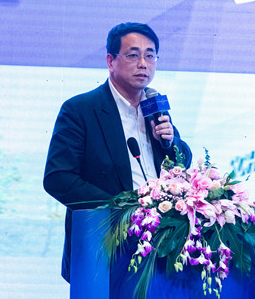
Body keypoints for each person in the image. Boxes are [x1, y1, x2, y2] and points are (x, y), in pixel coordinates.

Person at [43, 22, 192, 282]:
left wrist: (170, 142)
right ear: (111, 61)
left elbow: (182, 164)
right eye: (133, 55)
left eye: (150, 56)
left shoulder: (154, 108)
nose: (143, 64)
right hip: (106, 245)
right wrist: (121, 211)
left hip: (161, 245)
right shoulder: (81, 110)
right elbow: (58, 178)